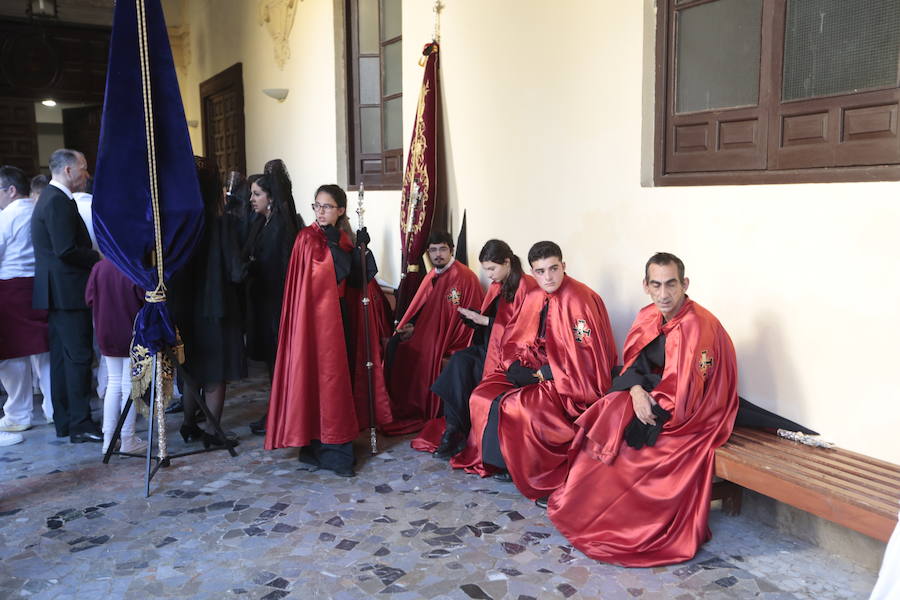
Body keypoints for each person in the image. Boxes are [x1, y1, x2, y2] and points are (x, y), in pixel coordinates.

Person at [547, 253, 738, 567]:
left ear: (685, 284)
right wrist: (635, 391)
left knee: (637, 451)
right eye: (656, 285)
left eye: (671, 285)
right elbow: (635, 364)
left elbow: (686, 395)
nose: (664, 294)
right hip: (655, 394)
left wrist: (647, 410)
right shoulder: (649, 315)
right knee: (607, 411)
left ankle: (624, 527)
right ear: (646, 286)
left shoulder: (697, 325)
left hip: (695, 412)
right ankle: (586, 510)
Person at [454, 241, 617, 500]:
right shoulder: (533, 296)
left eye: (553, 269)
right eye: (540, 271)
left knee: (519, 406)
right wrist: (515, 365)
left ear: (563, 266)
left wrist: (542, 374)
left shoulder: (580, 300)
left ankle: (533, 472)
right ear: (532, 271)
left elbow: (588, 357)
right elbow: (515, 338)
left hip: (568, 381)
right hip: (531, 367)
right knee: (483, 394)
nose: (548, 277)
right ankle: (502, 462)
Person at [265, 184, 392, 477]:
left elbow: (360, 280)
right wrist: (337, 246)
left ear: (341, 210)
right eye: (317, 206)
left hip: (340, 320)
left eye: (327, 207)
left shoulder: (342, 238)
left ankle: (335, 442)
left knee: (340, 380)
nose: (320, 212)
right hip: (315, 326)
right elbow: (330, 272)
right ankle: (323, 447)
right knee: (319, 379)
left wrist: (362, 248)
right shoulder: (307, 239)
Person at [414, 239, 537, 458]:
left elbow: (525, 331)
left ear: (507, 262)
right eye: (486, 269)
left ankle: (459, 431)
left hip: (515, 357)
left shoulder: (527, 287)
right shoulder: (498, 285)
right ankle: (453, 430)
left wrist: (485, 322)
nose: (489, 274)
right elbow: (493, 320)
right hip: (493, 348)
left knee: (466, 366)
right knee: (460, 361)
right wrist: (476, 319)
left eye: (492, 268)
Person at [168, 157, 247, 448]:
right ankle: (214, 433)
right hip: (216, 307)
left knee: (192, 368)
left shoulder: (177, 222)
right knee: (216, 371)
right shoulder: (221, 224)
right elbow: (236, 272)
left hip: (183, 305)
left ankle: (189, 424)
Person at [31, 149, 102, 443]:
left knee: (63, 358)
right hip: (68, 291)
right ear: (69, 171)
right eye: (83, 168)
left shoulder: (50, 197)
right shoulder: (58, 201)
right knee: (79, 358)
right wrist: (98, 258)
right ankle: (81, 424)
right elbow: (66, 250)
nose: (87, 174)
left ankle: (65, 420)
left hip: (57, 291)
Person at [383, 231, 484, 435]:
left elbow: (468, 319)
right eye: (433, 250)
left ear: (451, 250)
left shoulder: (465, 277)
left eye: (443, 249)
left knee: (421, 353)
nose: (438, 254)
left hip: (452, 341)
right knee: (396, 345)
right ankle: (397, 405)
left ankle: (420, 407)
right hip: (428, 335)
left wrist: (440, 342)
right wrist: (414, 328)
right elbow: (425, 310)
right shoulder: (432, 275)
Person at [244, 161, 302, 435]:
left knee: (280, 360)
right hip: (263, 301)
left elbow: (280, 266)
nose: (252, 199)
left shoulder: (281, 225)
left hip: (277, 303)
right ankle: (277, 409)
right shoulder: (261, 221)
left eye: (257, 194)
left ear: (271, 197)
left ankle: (284, 413)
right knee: (271, 361)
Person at [0, 166, 52, 446]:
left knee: (12, 356)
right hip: (39, 284)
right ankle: (53, 409)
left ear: (10, 190)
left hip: (10, 287)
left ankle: (18, 412)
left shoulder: (5, 217)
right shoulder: (38, 210)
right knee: (44, 351)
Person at [85, 258, 145, 454]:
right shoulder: (133, 264)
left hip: (106, 331)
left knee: (113, 383)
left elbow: (89, 299)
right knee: (129, 384)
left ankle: (108, 440)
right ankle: (127, 438)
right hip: (130, 330)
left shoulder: (99, 266)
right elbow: (146, 299)